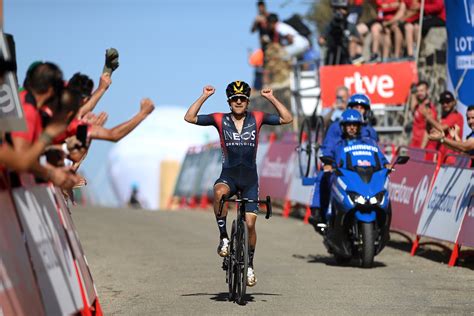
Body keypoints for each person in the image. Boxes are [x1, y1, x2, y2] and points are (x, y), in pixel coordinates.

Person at [184, 80, 292, 287]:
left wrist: (271, 98)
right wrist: (204, 96)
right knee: (219, 193)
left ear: (248, 101)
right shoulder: (219, 119)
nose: (239, 101)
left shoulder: (258, 117)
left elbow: (287, 118)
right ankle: (224, 237)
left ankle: (249, 265)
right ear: (229, 102)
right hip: (229, 175)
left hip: (250, 179)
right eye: (235, 99)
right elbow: (189, 117)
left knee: (250, 224)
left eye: (242, 98)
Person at [309, 93, 379, 231]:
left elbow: (376, 151)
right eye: (355, 107)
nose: (359, 110)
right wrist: (328, 162)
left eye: (362, 107)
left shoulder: (371, 131)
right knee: (323, 176)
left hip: (364, 170)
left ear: (367, 110)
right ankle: (319, 212)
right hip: (342, 168)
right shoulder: (336, 127)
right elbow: (329, 147)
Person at [319, 109, 390, 222]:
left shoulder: (369, 142)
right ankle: (329, 215)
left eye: (355, 125)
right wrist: (328, 164)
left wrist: (386, 164)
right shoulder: (338, 145)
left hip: (364, 177)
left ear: (359, 127)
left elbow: (380, 157)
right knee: (329, 182)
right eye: (349, 125)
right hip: (344, 177)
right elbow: (329, 156)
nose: (352, 127)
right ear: (343, 126)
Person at [422, 91, 464, 164]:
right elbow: (433, 132)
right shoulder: (445, 118)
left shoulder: (456, 116)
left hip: (451, 157)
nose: (445, 104)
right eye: (442, 102)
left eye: (447, 102)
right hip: (442, 156)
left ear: (454, 102)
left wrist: (428, 117)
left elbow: (441, 128)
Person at [319, 0, 362, 65]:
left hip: (345, 53)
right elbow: (321, 40)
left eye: (343, 9)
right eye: (337, 9)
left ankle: (352, 63)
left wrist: (351, 38)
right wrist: (326, 41)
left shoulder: (350, 25)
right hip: (332, 53)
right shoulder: (330, 25)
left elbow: (360, 40)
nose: (340, 11)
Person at [409, 80, 437, 148]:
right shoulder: (418, 106)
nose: (419, 93)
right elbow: (412, 109)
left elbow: (428, 130)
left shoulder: (428, 108)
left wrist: (422, 148)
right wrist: (413, 93)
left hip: (424, 146)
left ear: (427, 91)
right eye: (418, 91)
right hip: (415, 143)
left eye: (422, 91)